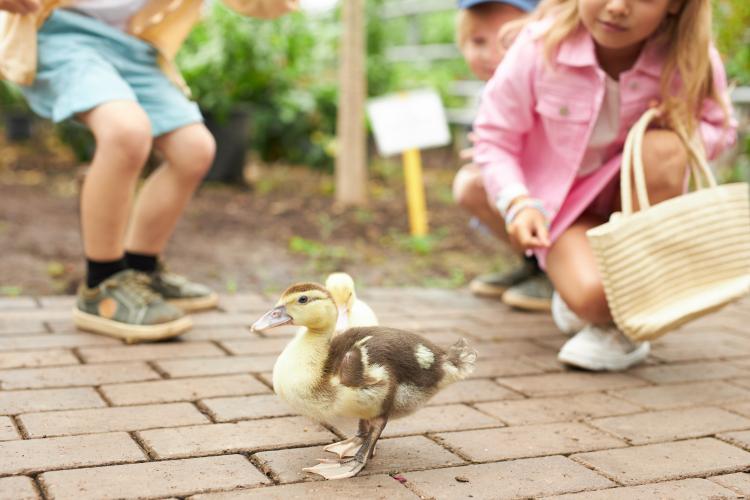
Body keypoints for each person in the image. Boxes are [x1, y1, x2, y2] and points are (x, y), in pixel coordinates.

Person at [0, 0, 297, 342]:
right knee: (126, 132)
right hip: (58, 29)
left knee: (194, 149)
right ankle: (102, 284)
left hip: (131, 41)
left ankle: (140, 269)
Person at [473, 0, 736, 370]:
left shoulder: (689, 55)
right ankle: (591, 294)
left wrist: (683, 128)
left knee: (661, 148)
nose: (616, 7)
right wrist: (519, 201)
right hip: (565, 208)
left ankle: (625, 324)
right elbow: (494, 137)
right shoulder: (540, 46)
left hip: (634, 208)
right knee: (596, 298)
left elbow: (721, 127)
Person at [453, 0, 554, 312]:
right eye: (478, 41)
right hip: (526, 190)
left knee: (477, 183)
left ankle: (559, 272)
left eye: (507, 41)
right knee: (470, 182)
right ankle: (536, 263)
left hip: (560, 186)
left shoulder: (550, 78)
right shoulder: (488, 92)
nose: (489, 54)